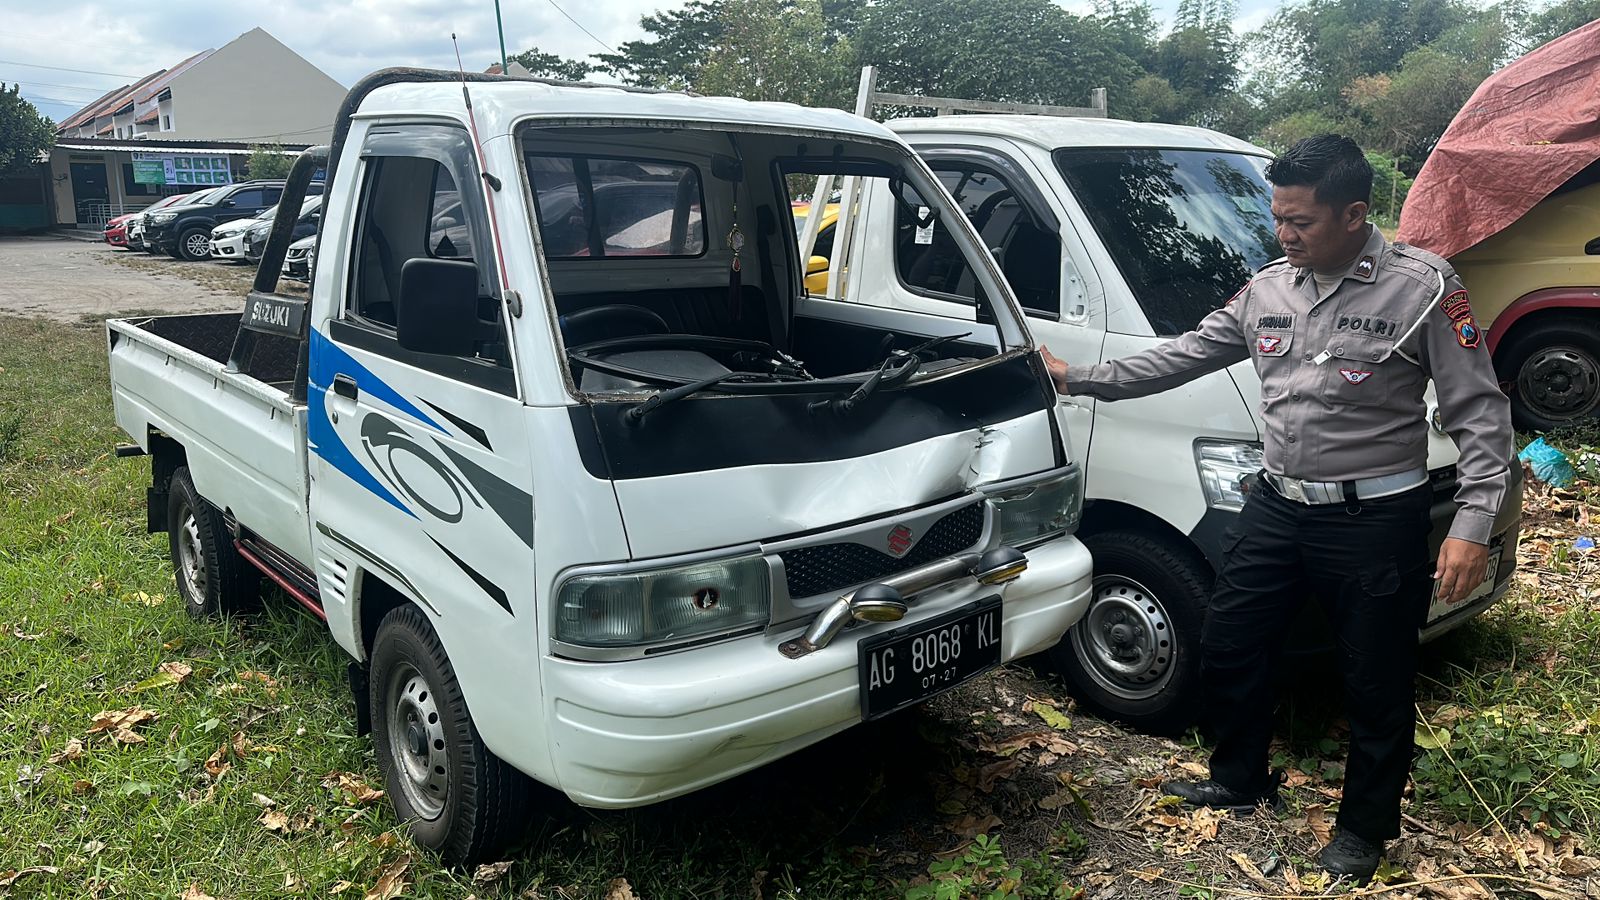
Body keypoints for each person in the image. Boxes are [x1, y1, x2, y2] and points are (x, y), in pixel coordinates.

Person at [1040, 134, 1512, 884]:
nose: (1284, 234)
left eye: (1301, 221)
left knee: (1375, 679)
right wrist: (1081, 378)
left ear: (1354, 214)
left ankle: (1362, 830)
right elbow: (1187, 353)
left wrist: (1473, 523)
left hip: (1373, 520)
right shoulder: (1268, 287)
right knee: (1229, 641)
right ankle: (1240, 776)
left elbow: (1479, 413)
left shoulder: (1423, 289)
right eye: (1278, 218)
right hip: (1277, 505)